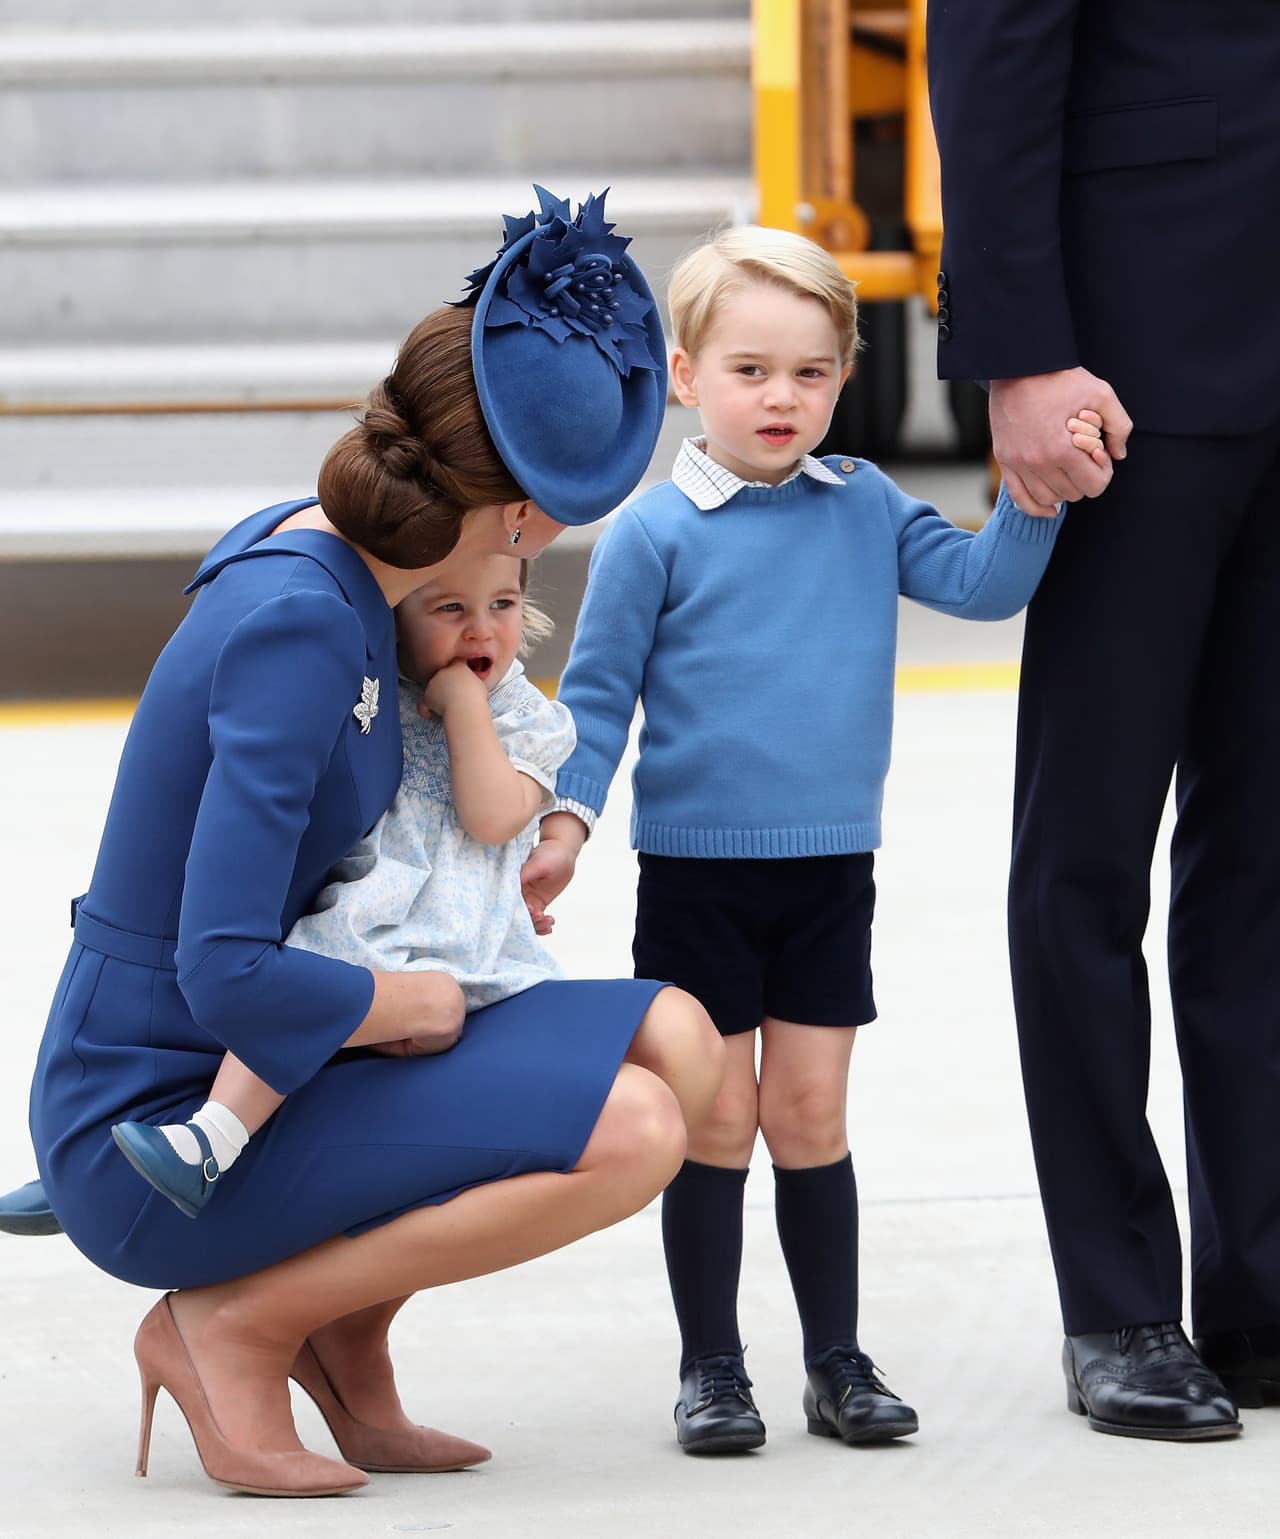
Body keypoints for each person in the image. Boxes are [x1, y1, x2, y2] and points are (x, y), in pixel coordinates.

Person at [1, 186, 725, 1497]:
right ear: (520, 515)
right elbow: (222, 967)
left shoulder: (360, 572)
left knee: (683, 1037)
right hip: (168, 1101)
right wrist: (412, 991)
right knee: (633, 1129)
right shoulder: (300, 623)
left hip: (296, 1038)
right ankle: (233, 1323)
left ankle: (347, 1327)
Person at [519, 224, 1097, 1455]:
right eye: (748, 370)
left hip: (831, 871)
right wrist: (565, 824)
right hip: (696, 877)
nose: (781, 397)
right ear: (684, 378)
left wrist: (1034, 496)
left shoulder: (866, 505)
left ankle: (835, 1362)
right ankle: (711, 1369)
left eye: (811, 372)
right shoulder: (651, 536)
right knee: (717, 1118)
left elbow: (983, 587)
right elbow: (598, 699)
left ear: (844, 377)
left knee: (811, 1116)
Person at [928, 0, 1280, 1439]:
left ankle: (1259, 1291)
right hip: (1130, 357)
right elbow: (995, 37)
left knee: (1265, 856)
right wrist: (1020, 351)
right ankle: (1118, 1303)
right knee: (1086, 849)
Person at [110, 548, 573, 1219]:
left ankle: (207, 1142)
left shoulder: (527, 716)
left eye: (502, 604)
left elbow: (494, 816)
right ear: (396, 620)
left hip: (448, 943)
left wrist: (465, 704)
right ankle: (128, 1163)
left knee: (316, 980)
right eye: (450, 608)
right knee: (285, 976)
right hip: (370, 908)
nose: (481, 629)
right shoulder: (381, 689)